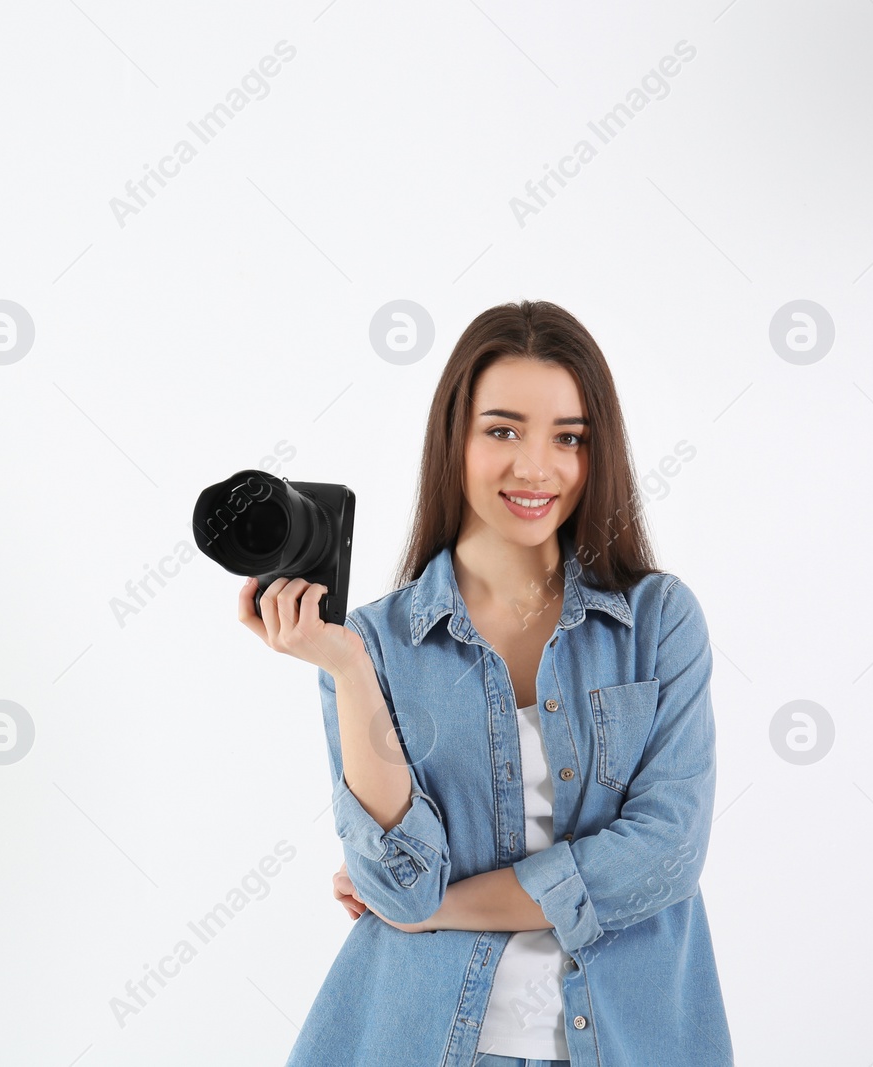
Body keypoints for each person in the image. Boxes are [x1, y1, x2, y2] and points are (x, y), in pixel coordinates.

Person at [239, 301, 734, 1066]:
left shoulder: (658, 622)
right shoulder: (371, 644)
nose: (535, 467)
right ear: (454, 440)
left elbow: (664, 853)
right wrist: (345, 669)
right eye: (502, 430)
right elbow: (397, 885)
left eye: (568, 438)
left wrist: (445, 906)